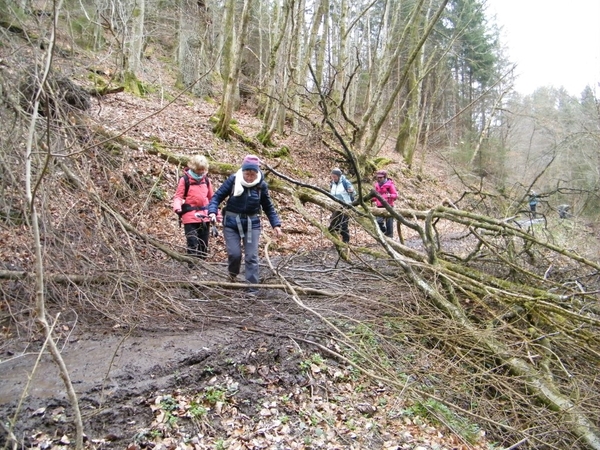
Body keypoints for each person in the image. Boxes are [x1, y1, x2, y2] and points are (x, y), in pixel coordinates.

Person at [207, 155, 282, 293]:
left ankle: (252, 290)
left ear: (257, 173)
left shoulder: (261, 186)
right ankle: (232, 276)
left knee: (251, 256)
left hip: (252, 224)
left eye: (252, 174)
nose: (249, 177)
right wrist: (212, 211)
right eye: (247, 173)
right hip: (231, 222)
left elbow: (268, 207)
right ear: (242, 171)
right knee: (235, 254)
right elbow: (216, 197)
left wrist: (276, 225)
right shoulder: (233, 180)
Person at [172, 155, 214, 261]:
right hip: (189, 215)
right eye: (199, 169)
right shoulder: (185, 180)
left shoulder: (207, 181)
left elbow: (212, 198)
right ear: (193, 168)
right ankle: (192, 266)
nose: (201, 171)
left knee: (203, 243)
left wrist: (215, 213)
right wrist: (177, 207)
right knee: (192, 241)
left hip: (204, 215)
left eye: (203, 169)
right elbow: (178, 196)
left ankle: (202, 265)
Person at [328, 168, 355, 244]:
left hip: (345, 206)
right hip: (335, 206)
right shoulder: (332, 184)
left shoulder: (345, 182)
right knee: (334, 224)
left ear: (339, 176)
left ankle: (346, 241)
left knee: (344, 224)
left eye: (335, 176)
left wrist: (351, 191)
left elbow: (353, 192)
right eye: (332, 176)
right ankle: (336, 241)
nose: (333, 178)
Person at [372, 170, 398, 238]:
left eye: (381, 177)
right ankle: (383, 232)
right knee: (378, 221)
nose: (379, 179)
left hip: (389, 206)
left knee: (389, 223)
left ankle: (390, 236)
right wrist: (373, 199)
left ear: (384, 177)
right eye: (378, 177)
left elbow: (395, 195)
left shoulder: (390, 185)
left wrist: (390, 196)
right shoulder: (377, 185)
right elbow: (377, 195)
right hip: (379, 206)